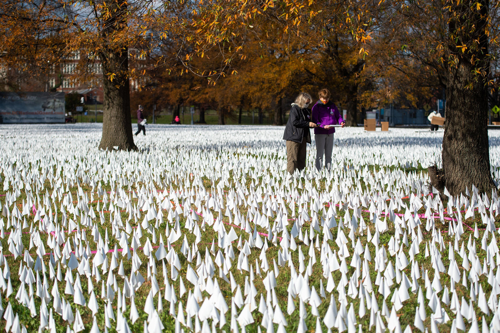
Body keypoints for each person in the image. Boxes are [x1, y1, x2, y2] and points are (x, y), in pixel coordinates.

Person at [283, 92, 318, 175]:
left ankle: (300, 175)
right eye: (306, 103)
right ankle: (290, 176)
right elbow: (294, 122)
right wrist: (308, 124)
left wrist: (313, 124)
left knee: (302, 158)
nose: (307, 104)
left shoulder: (305, 110)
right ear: (301, 101)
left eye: (309, 103)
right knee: (292, 158)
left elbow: (307, 122)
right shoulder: (295, 109)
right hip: (293, 137)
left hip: (303, 137)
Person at [311, 88, 345, 170]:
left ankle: (328, 171)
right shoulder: (316, 107)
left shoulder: (332, 105)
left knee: (328, 154)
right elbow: (315, 120)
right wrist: (322, 126)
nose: (325, 100)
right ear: (320, 97)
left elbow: (338, 116)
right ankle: (318, 171)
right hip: (320, 133)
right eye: (323, 98)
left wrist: (341, 122)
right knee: (320, 154)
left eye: (327, 98)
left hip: (330, 132)